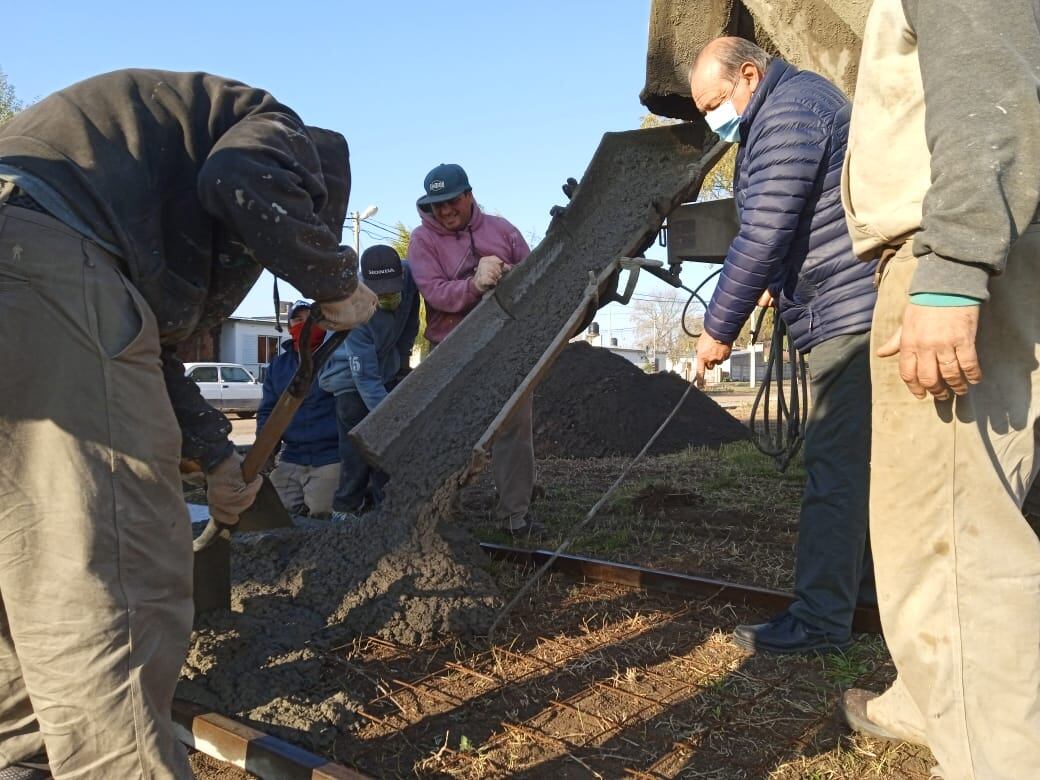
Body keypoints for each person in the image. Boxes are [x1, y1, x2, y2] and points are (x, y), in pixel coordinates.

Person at [0, 69, 376, 779]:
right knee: (112, 589)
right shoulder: (274, 129)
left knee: (19, 568)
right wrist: (335, 281)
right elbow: (242, 176)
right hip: (41, 271)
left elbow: (138, 346)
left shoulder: (128, 167)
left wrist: (219, 459)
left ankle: (23, 762)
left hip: (25, 271)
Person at [837, 2, 1040, 778]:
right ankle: (929, 699)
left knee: (951, 545)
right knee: (970, 517)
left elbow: (988, 89)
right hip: (986, 247)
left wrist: (952, 270)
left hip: (954, 257)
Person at [688, 38, 877, 655]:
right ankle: (861, 593)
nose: (717, 118)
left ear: (749, 73)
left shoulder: (788, 113)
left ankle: (822, 620)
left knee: (835, 469)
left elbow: (763, 232)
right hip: (847, 303)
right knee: (861, 467)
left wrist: (719, 329)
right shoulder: (792, 104)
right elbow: (798, 220)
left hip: (848, 317)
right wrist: (777, 285)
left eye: (717, 102)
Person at [408, 163, 543, 539]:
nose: (446, 211)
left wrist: (505, 272)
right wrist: (473, 286)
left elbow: (535, 276)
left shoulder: (503, 231)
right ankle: (440, 514)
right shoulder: (422, 240)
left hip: (505, 345)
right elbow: (433, 292)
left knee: (515, 430)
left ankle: (515, 515)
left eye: (452, 201)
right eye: (437, 206)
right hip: (451, 349)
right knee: (447, 432)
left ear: (468, 194)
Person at [319, 245, 420, 517]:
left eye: (392, 289)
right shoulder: (355, 308)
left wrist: (402, 363)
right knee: (357, 447)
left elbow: (409, 324)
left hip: (385, 366)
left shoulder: (409, 277)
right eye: (382, 292)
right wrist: (390, 418)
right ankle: (346, 508)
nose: (388, 296)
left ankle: (383, 509)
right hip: (348, 376)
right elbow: (364, 378)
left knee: (386, 450)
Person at [258, 299, 342, 517]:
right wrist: (265, 450)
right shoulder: (278, 366)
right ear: (289, 328)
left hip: (330, 456)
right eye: (298, 319)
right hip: (291, 456)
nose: (305, 324)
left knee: (323, 515)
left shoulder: (336, 357)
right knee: (275, 515)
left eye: (311, 319)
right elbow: (268, 411)